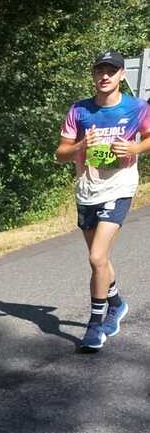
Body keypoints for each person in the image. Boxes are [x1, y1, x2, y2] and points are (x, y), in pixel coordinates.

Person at [55, 51, 150, 350]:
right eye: (100, 71)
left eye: (111, 71)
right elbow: (60, 154)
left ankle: (95, 326)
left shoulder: (137, 108)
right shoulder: (79, 110)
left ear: (122, 74)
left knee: (96, 257)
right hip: (87, 188)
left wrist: (134, 149)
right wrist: (81, 145)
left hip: (119, 186)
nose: (105, 76)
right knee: (101, 261)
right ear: (94, 75)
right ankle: (117, 303)